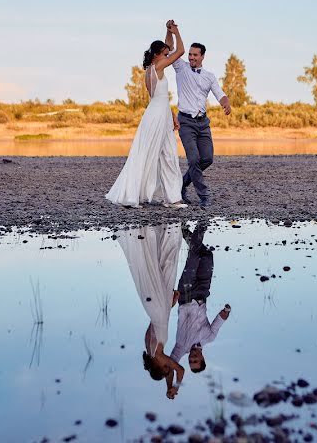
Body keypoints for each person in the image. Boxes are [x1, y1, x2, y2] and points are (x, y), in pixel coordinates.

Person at [106, 20, 187, 208]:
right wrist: (176, 31)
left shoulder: (154, 68)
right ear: (158, 55)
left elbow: (160, 97)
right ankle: (131, 194)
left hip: (161, 114)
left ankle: (173, 198)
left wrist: (172, 114)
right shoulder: (157, 68)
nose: (168, 55)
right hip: (156, 117)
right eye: (166, 54)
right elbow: (180, 50)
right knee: (146, 153)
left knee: (168, 154)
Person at [118, 223, 186, 399]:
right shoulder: (149, 347)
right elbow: (154, 324)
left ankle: (169, 230)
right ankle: (163, 231)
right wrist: (168, 306)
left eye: (165, 368)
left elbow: (180, 370)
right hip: (155, 310)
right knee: (163, 269)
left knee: (167, 266)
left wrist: (175, 387)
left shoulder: (159, 354)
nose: (168, 366)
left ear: (159, 366)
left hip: (160, 310)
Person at [170, 35, 232, 208]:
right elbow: (171, 47)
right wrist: (172, 31)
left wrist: (225, 103)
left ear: (202, 56)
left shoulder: (209, 76)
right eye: (190, 54)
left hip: (203, 124)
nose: (191, 57)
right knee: (194, 159)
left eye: (195, 55)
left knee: (207, 159)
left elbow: (219, 93)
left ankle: (182, 184)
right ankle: (204, 196)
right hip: (186, 122)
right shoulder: (181, 68)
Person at [169, 221, 231, 372]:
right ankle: (183, 229)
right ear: (202, 359)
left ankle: (202, 222)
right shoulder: (209, 338)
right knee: (207, 255)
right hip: (203, 292)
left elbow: (170, 365)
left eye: (190, 361)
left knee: (194, 256)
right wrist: (226, 311)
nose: (192, 358)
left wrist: (173, 386)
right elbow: (218, 322)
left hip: (186, 293)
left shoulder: (180, 348)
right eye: (195, 360)